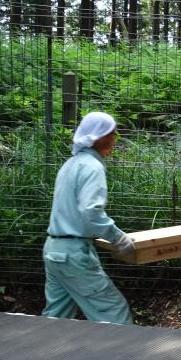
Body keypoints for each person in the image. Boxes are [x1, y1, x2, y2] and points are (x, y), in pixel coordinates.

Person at [42, 111, 135, 324]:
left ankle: (39, 356)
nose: (115, 138)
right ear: (100, 137)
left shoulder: (71, 164)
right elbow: (91, 212)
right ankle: (125, 356)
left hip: (54, 250)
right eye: (112, 133)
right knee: (112, 312)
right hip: (75, 254)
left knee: (55, 318)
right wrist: (118, 238)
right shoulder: (92, 167)